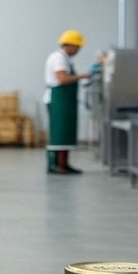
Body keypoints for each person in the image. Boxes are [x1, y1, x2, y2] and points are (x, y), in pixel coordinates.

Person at [43, 29, 91, 175]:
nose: (78, 50)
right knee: (59, 133)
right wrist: (81, 76)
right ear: (69, 45)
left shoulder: (65, 59)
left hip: (65, 101)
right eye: (77, 47)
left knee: (66, 133)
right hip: (58, 100)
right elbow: (62, 79)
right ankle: (56, 164)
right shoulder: (58, 58)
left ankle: (64, 163)